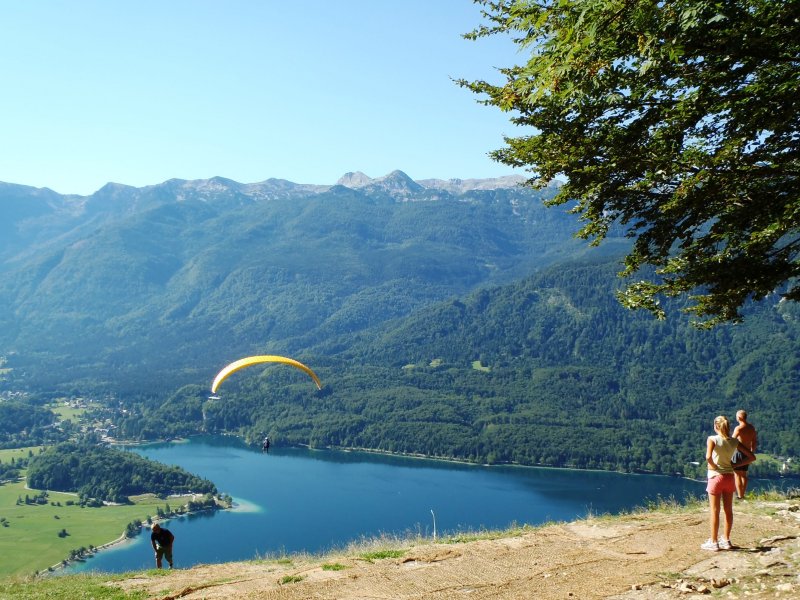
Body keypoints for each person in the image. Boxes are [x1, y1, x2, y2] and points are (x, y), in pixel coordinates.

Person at [702, 415, 756, 551]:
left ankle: (714, 542)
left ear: (716, 426)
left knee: (715, 511)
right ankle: (726, 540)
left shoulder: (712, 439)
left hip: (716, 477)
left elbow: (708, 457)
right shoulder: (734, 442)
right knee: (728, 510)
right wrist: (736, 465)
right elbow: (751, 457)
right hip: (729, 478)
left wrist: (713, 466)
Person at [732, 410, 758, 500]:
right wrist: (751, 451)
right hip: (748, 453)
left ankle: (740, 496)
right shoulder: (751, 428)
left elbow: (732, 441)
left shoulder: (738, 428)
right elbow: (754, 441)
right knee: (743, 475)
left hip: (739, 452)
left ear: (739, 418)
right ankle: (742, 494)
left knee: (737, 475)